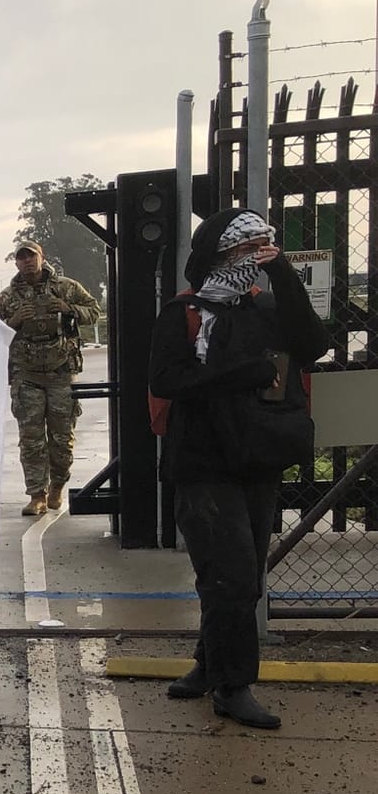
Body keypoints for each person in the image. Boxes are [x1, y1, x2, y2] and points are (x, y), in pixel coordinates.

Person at [149, 208, 330, 730]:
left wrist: (282, 273)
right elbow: (166, 380)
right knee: (229, 576)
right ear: (220, 256)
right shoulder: (184, 312)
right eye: (246, 250)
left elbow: (313, 344)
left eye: (264, 248)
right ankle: (234, 685)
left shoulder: (269, 306)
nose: (255, 259)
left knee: (242, 576)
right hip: (204, 463)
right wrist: (235, 375)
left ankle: (208, 665)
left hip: (257, 455)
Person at [0, 242, 101, 516]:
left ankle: (58, 486)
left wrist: (68, 309)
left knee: (62, 439)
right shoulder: (7, 298)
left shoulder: (65, 288)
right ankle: (36, 494)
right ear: (16, 263)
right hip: (26, 377)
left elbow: (94, 312)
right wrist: (13, 321)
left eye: (31, 256)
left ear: (42, 258)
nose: (27, 261)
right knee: (31, 441)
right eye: (21, 258)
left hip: (61, 374)